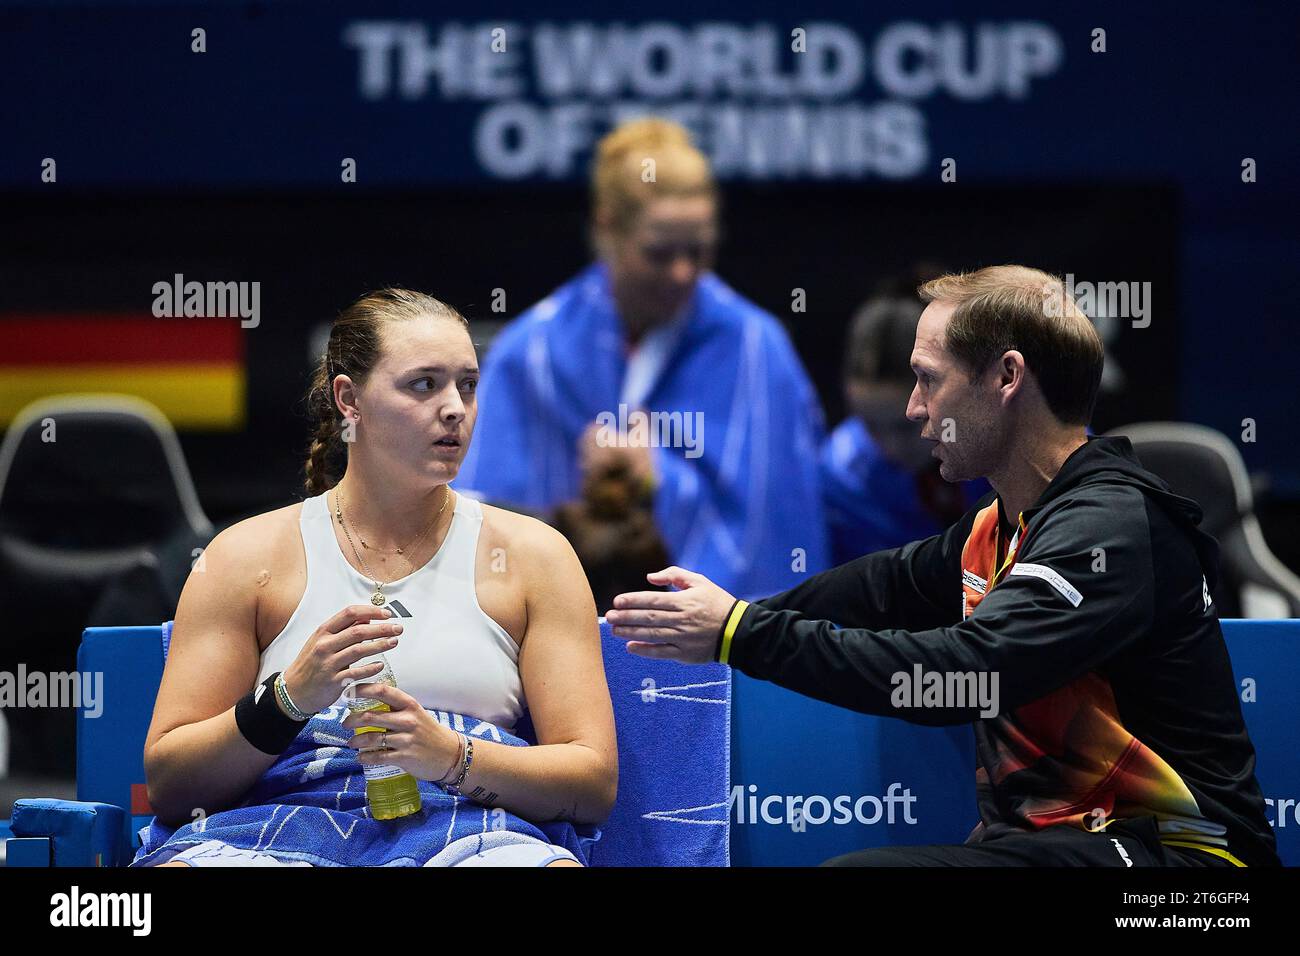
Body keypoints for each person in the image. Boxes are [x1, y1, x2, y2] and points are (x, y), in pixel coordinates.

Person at [606, 265, 1280, 867]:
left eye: (929, 378)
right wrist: (712, 615)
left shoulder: (1110, 529)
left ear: (1006, 379)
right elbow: (877, 588)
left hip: (1188, 867)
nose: (912, 408)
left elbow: (965, 675)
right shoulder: (997, 526)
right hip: (1061, 844)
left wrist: (742, 633)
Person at [134, 289, 617, 867]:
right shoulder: (243, 558)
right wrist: (286, 701)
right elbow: (172, 787)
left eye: (467, 384)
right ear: (350, 400)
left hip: (470, 835)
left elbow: (591, 785)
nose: (455, 408)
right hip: (271, 831)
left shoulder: (536, 556)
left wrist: (448, 755)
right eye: (423, 384)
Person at [456, 117, 829, 600]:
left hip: (721, 653)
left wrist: (661, 477)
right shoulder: (531, 353)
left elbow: (779, 529)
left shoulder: (760, 350)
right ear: (606, 228)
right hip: (553, 641)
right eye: (659, 254)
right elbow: (483, 520)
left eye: (698, 252)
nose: (681, 273)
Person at [822, 294, 990, 564]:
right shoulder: (839, 476)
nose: (891, 446)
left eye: (905, 426)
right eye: (871, 426)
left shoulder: (1003, 440)